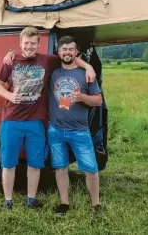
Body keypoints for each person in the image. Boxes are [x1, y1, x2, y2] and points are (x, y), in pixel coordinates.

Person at [0, 27, 96, 210]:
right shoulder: (10, 61)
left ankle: (31, 201)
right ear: (20, 43)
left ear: (39, 44)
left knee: (35, 163)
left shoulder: (47, 60)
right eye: (26, 43)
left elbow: (70, 57)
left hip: (36, 122)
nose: (29, 47)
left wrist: (88, 66)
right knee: (9, 164)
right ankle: (8, 201)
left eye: (33, 43)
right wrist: (9, 96)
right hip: (11, 121)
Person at [48, 35, 103, 216]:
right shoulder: (53, 72)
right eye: (64, 49)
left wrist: (82, 98)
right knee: (60, 168)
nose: (67, 52)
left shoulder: (85, 75)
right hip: (56, 130)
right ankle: (64, 204)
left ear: (76, 51)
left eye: (71, 49)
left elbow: (98, 100)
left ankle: (96, 205)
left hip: (79, 130)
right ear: (59, 52)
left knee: (91, 169)